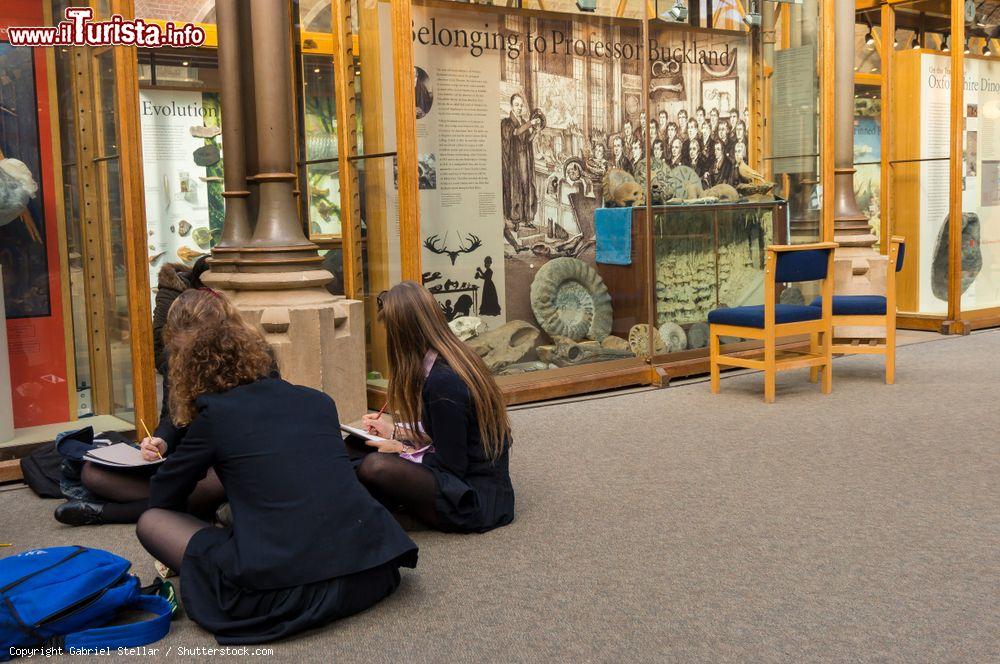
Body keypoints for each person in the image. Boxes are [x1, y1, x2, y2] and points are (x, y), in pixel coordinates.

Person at [136, 289, 418, 644]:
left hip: (284, 593)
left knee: (151, 522)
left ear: (183, 364)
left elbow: (162, 495)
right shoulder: (318, 402)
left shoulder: (216, 417)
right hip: (369, 570)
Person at [356, 282, 515, 533]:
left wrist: (400, 449)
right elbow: (447, 430)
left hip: (473, 499)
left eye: (389, 332)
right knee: (356, 448)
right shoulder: (451, 358)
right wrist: (395, 431)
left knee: (375, 466)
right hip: (470, 480)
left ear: (403, 335)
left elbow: (452, 465)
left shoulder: (443, 382)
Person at [501, 93, 542, 233]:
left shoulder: (524, 121)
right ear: (511, 106)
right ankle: (516, 220)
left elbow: (527, 140)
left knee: (527, 187)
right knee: (516, 188)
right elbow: (515, 132)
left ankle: (527, 219)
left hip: (525, 160)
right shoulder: (506, 123)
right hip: (515, 163)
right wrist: (530, 123)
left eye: (521, 105)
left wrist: (535, 132)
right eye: (517, 105)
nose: (519, 108)